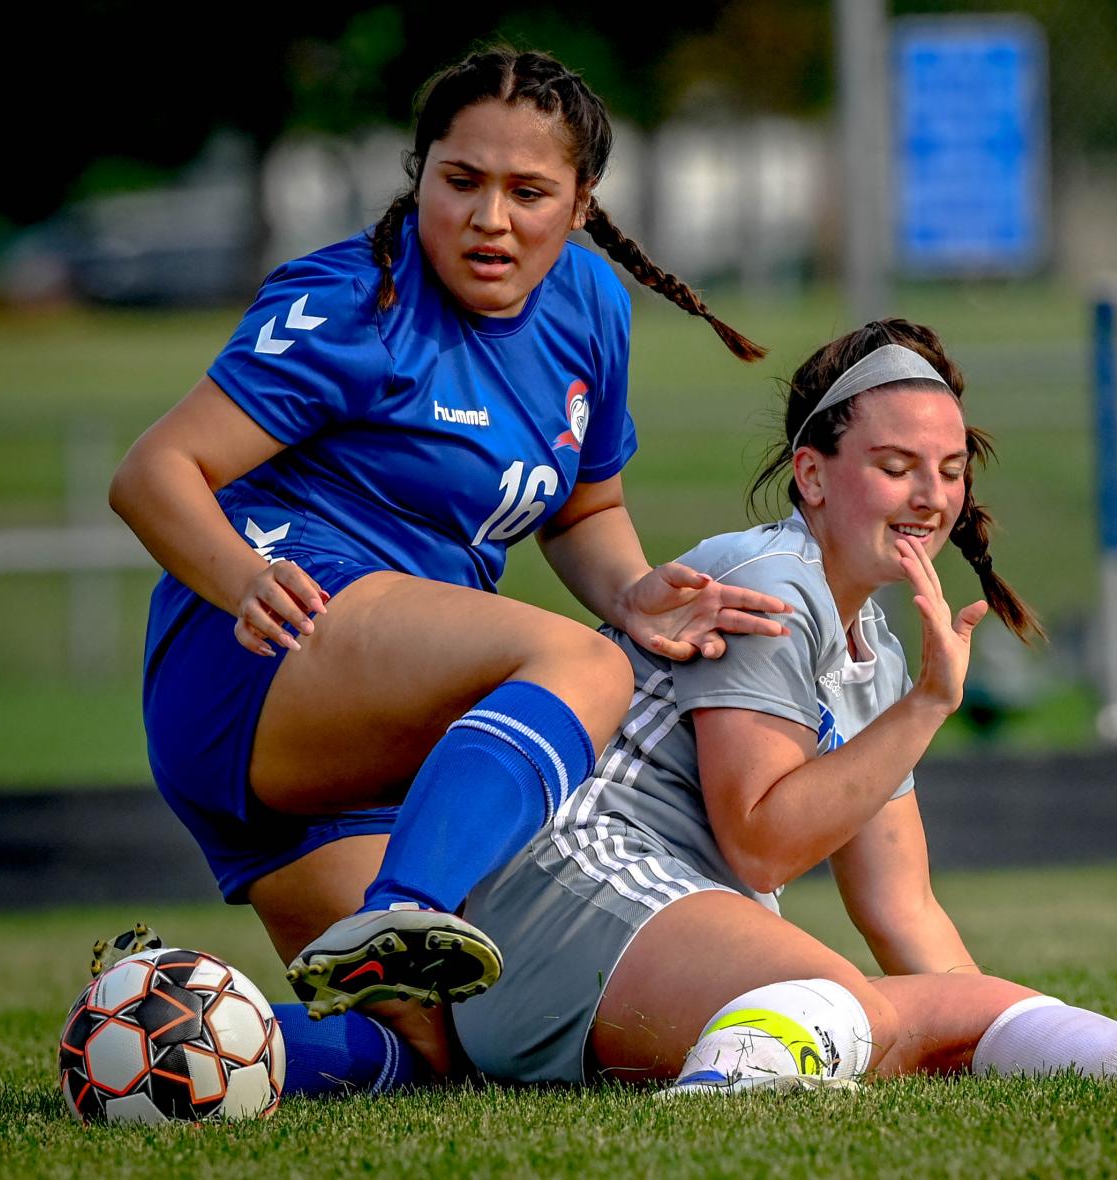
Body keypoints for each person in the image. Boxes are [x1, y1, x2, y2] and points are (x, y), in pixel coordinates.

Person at [440, 319, 1117, 1091]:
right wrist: (927, 705)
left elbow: (902, 905)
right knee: (840, 1002)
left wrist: (969, 1036)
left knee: (925, 1005)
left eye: (949, 470)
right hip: (562, 897)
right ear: (812, 474)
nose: (929, 496)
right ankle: (735, 1084)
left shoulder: (867, 643)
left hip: (650, 940)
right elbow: (759, 844)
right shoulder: (769, 578)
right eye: (896, 465)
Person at [106, 45, 790, 1076]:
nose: (490, 217)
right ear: (418, 172)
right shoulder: (356, 303)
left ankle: (151, 1032)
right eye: (460, 180)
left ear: (582, 201)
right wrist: (240, 575)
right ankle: (405, 912)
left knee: (429, 1046)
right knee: (584, 666)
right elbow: (153, 472)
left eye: (528, 191)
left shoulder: (589, 309)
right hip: (259, 649)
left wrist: (632, 588)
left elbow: (584, 504)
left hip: (377, 716)